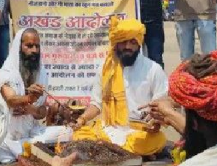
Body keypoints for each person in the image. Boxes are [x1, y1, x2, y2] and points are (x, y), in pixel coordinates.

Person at [71, 18, 169, 156]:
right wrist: (81, 119)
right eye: (123, 41)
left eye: (132, 42)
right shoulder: (105, 70)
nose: (128, 46)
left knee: (158, 140)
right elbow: (96, 104)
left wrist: (156, 121)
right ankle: (112, 149)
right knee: (78, 136)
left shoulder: (153, 69)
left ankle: (107, 149)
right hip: (108, 130)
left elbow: (163, 105)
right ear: (116, 44)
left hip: (139, 132)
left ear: (139, 44)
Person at [0, 28, 73, 163]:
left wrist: (31, 109)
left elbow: (41, 113)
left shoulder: (41, 74)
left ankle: (28, 151)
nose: (34, 50)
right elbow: (11, 100)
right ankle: (34, 151)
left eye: (37, 46)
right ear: (19, 47)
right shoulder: (5, 73)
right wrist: (29, 98)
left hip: (31, 133)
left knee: (67, 132)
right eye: (29, 46)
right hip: (8, 137)